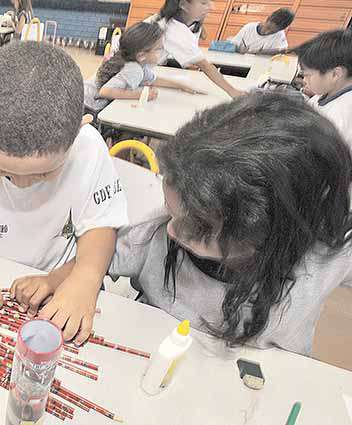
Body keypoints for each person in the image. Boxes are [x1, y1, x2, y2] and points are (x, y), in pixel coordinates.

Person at [105, 92, 352, 355]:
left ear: (273, 235)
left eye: (200, 228)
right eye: (169, 209)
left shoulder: (327, 257)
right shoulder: (155, 231)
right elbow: (96, 255)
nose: (172, 229)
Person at [0, 42, 128, 345]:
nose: (21, 184)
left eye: (43, 173)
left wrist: (84, 279)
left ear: (80, 129)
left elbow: (101, 226)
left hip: (62, 278)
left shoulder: (90, 148)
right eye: (3, 171)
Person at [155, 0, 245, 98]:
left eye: (211, 0)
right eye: (204, 2)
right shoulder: (174, 30)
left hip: (145, 73)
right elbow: (205, 66)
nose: (211, 7)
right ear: (184, 5)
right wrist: (233, 92)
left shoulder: (180, 21)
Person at [84, 22, 201, 115]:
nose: (161, 53)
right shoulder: (133, 69)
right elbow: (106, 91)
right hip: (87, 105)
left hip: (85, 98)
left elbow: (154, 79)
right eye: (158, 49)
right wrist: (142, 95)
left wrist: (181, 85)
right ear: (141, 55)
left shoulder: (137, 63)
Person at [293, 29, 352, 149]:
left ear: (335, 74)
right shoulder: (331, 89)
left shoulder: (338, 119)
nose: (304, 80)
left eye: (307, 75)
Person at [227, 7, 294, 55]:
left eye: (273, 32)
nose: (267, 32)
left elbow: (281, 51)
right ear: (268, 19)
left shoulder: (280, 35)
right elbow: (233, 45)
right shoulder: (249, 27)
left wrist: (257, 51)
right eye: (268, 28)